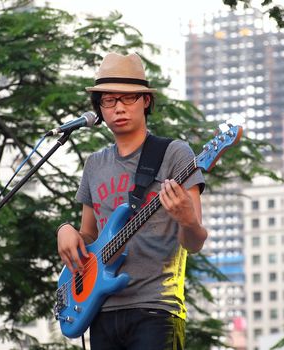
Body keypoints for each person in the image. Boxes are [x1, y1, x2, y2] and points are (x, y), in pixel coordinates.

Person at [56, 52, 208, 350]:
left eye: (128, 98)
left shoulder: (175, 154)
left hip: (156, 308)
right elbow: (90, 236)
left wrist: (187, 219)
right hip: (100, 308)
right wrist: (65, 230)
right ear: (99, 108)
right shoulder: (95, 164)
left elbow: (195, 241)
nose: (119, 108)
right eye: (109, 100)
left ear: (146, 101)